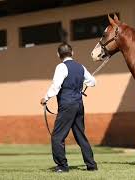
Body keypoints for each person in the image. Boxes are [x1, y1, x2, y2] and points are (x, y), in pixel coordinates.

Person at [40, 43, 98, 173]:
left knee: (57, 136)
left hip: (67, 105)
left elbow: (56, 86)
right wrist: (84, 80)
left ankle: (62, 166)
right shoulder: (80, 67)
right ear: (72, 53)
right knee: (80, 136)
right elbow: (93, 82)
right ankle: (91, 165)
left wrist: (46, 98)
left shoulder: (61, 67)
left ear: (58, 54)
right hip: (79, 105)